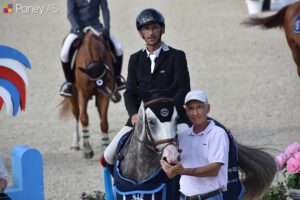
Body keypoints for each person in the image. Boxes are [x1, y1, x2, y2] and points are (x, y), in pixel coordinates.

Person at [101, 8, 191, 170]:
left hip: (172, 118)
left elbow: (183, 89)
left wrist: (169, 112)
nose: (151, 32)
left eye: (155, 27)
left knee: (193, 151)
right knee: (107, 156)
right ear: (140, 33)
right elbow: (130, 92)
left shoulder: (177, 56)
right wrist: (134, 114)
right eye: (146, 29)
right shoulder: (135, 59)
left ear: (162, 29)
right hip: (144, 118)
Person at [160, 90, 229, 200]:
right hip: (184, 197)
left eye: (199, 107)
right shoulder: (182, 136)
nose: (195, 113)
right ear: (186, 111)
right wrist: (169, 169)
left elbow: (214, 170)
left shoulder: (218, 133)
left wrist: (183, 171)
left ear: (208, 108)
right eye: (191, 108)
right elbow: (172, 173)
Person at [59, 0, 125, 97]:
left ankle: (117, 79)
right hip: (78, 30)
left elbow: (105, 10)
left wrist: (107, 27)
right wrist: (77, 29)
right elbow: (70, 14)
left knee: (118, 47)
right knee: (64, 54)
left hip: (97, 28)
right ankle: (69, 84)